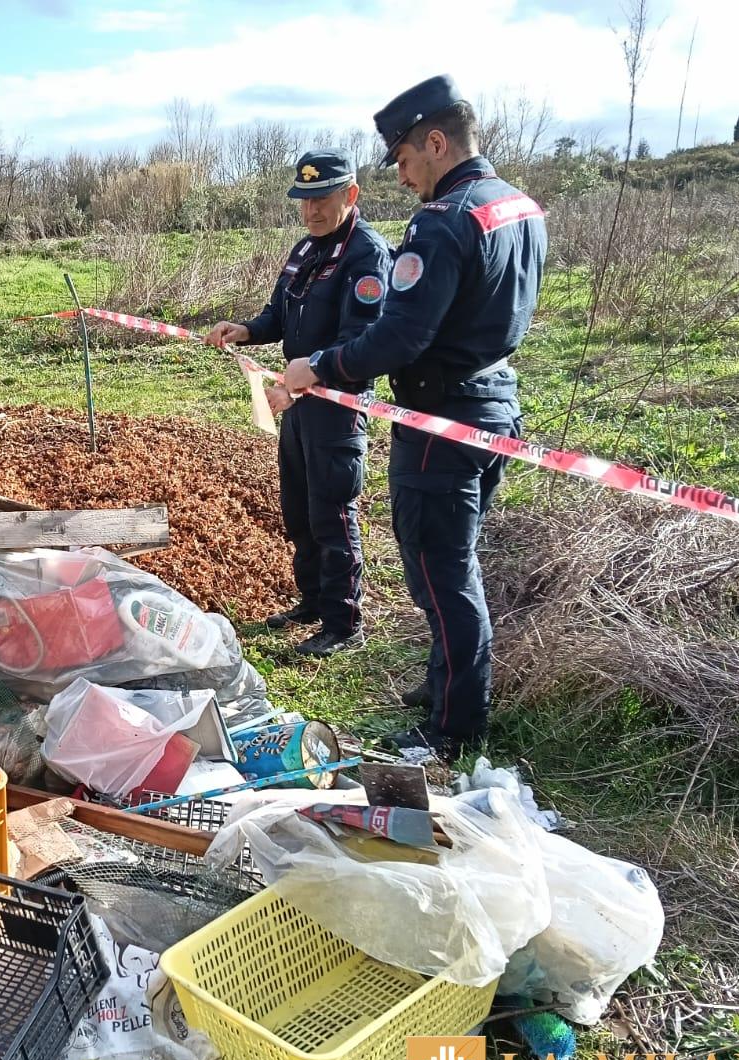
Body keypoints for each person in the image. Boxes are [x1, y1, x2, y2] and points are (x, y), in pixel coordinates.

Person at [280, 76, 547, 759]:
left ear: (437, 141)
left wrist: (323, 365)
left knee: (442, 575)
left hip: (439, 421)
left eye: (403, 158)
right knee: (452, 565)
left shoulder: (444, 219)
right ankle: (443, 684)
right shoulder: (517, 207)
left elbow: (399, 337)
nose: (401, 174)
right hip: (494, 408)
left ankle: (455, 727)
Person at [205, 148, 390, 658]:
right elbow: (278, 317)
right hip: (297, 404)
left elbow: (364, 339)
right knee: (300, 510)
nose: (311, 211)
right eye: (304, 201)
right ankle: (312, 601)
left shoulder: (367, 255)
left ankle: (344, 620)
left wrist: (302, 383)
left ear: (350, 195)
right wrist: (244, 330)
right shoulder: (306, 250)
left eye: (322, 199)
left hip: (337, 406)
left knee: (332, 512)